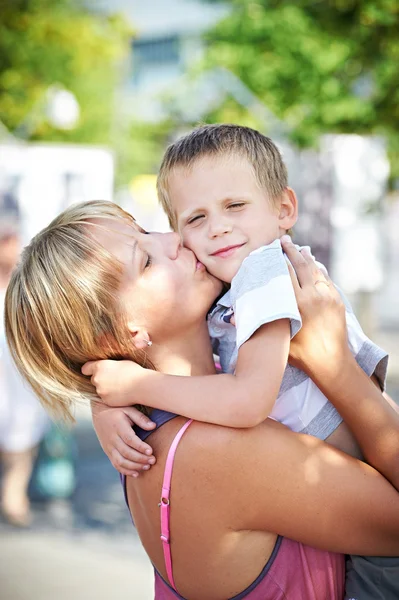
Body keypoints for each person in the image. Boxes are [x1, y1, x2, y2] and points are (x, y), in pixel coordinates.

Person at [4, 200, 399, 600]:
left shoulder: (150, 418)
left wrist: (106, 400)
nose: (173, 239)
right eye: (146, 261)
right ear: (122, 335)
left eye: (145, 231)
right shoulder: (220, 448)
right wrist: (333, 363)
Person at [83, 126, 396, 598]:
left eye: (235, 206)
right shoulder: (227, 283)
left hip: (371, 526)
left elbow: (247, 400)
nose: (218, 227)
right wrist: (104, 406)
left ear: (284, 209)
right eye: (195, 218)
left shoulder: (265, 272)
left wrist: (134, 386)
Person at [0, 217, 49, 526]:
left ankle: (14, 495)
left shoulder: (27, 282)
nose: (11, 246)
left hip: (22, 374)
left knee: (24, 432)